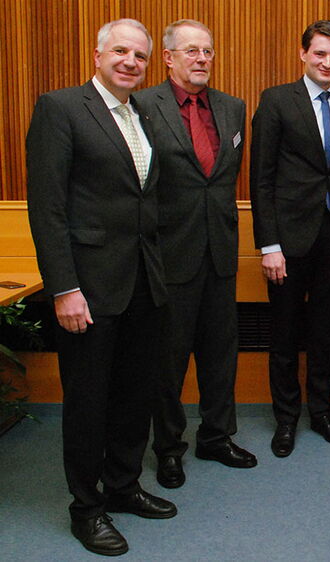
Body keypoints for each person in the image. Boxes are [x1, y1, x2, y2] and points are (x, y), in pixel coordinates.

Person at [26, 18, 176, 556]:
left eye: (140, 55)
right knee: (88, 402)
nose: (130, 62)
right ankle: (86, 509)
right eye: (120, 51)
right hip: (87, 288)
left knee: (135, 395)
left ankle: (123, 486)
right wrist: (63, 288)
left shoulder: (143, 115)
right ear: (97, 55)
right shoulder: (61, 108)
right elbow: (47, 207)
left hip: (142, 282)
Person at [135, 19, 256, 490]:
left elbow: (222, 179)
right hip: (169, 254)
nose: (202, 58)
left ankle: (217, 437)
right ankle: (168, 449)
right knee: (168, 362)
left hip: (220, 252)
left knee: (220, 354)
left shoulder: (232, 107)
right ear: (168, 58)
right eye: (191, 51)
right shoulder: (144, 105)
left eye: (207, 50)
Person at [250, 20, 330, 457]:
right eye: (320, 53)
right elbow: (261, 177)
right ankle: (286, 419)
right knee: (284, 335)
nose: (327, 62)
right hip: (287, 242)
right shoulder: (277, 100)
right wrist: (269, 245)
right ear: (303, 54)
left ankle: (321, 412)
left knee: (325, 333)